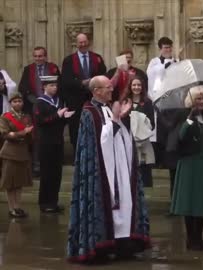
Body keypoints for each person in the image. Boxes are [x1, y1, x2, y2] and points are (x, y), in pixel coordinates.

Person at [67, 75, 149, 263]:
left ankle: (123, 243)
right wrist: (115, 118)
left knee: (125, 200)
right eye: (107, 87)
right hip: (101, 168)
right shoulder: (89, 112)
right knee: (106, 201)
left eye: (111, 87)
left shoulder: (109, 108)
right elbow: (98, 142)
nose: (112, 90)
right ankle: (100, 246)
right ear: (96, 91)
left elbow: (121, 135)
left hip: (119, 164)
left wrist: (121, 118)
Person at [170, 86, 203, 251]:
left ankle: (199, 237)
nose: (200, 102)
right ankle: (190, 238)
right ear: (190, 100)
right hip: (189, 162)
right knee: (189, 202)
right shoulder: (182, 115)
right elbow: (179, 137)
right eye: (197, 99)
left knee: (202, 203)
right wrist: (190, 119)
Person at [60, 33, 107, 154]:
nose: (83, 44)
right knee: (76, 128)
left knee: (97, 125)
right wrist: (81, 82)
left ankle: (96, 153)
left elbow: (103, 75)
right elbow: (65, 81)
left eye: (85, 41)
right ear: (76, 44)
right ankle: (78, 154)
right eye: (80, 42)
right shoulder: (69, 60)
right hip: (75, 100)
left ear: (88, 42)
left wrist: (94, 82)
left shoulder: (97, 58)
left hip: (94, 99)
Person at [34, 76, 73, 213]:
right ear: (44, 87)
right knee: (47, 173)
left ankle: (53, 201)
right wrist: (57, 115)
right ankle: (45, 203)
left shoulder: (58, 101)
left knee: (57, 173)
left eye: (55, 85)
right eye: (51, 85)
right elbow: (40, 121)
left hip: (58, 141)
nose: (54, 88)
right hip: (46, 143)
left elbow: (58, 122)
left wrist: (64, 117)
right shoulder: (40, 102)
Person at [0, 92, 33, 218]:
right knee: (10, 183)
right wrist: (22, 133)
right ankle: (11, 208)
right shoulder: (5, 117)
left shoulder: (26, 117)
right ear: (10, 103)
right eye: (15, 101)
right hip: (10, 152)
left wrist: (29, 134)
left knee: (19, 182)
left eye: (19, 101)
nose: (17, 103)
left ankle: (18, 207)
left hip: (23, 152)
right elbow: (5, 134)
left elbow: (30, 133)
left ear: (23, 103)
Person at [146, 36, 177, 170]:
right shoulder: (155, 62)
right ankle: (158, 160)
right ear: (160, 49)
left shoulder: (177, 61)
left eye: (170, 47)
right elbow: (152, 74)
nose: (168, 50)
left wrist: (175, 65)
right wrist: (166, 66)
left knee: (171, 130)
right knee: (159, 132)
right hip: (158, 100)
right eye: (165, 47)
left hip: (172, 101)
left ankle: (169, 160)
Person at [125, 77, 155, 187]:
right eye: (134, 85)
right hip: (129, 140)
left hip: (143, 142)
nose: (136, 87)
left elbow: (152, 123)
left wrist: (140, 120)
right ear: (130, 86)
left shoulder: (147, 102)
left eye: (139, 85)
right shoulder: (125, 101)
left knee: (144, 169)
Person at [18, 47, 61, 114]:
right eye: (35, 56)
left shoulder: (53, 67)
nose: (37, 59)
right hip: (33, 104)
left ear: (45, 56)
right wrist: (33, 99)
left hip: (51, 104)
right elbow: (22, 87)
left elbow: (60, 84)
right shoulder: (28, 69)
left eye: (40, 56)